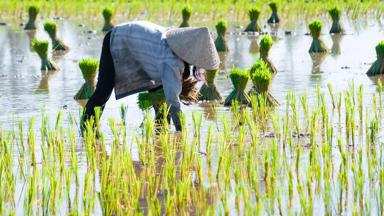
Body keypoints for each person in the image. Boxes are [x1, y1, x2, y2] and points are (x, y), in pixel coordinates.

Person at [81, 21, 220, 132]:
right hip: (117, 39)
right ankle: (86, 129)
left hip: (135, 41)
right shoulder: (170, 60)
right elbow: (173, 100)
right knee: (103, 91)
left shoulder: (175, 41)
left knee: (159, 94)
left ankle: (161, 129)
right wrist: (180, 130)